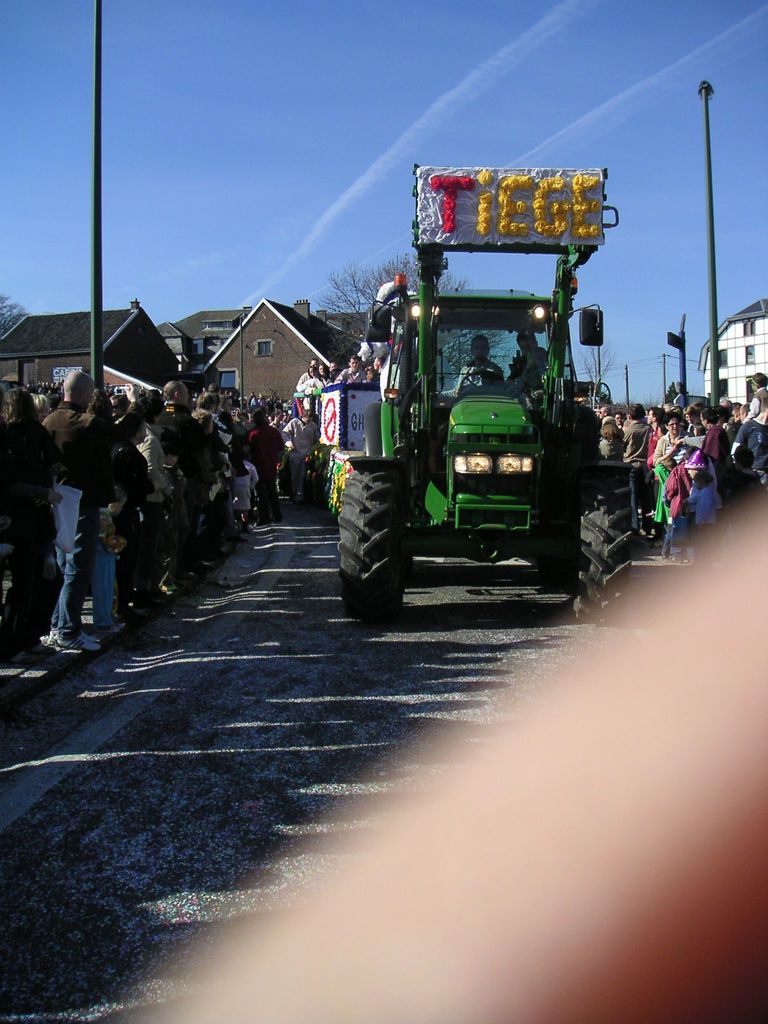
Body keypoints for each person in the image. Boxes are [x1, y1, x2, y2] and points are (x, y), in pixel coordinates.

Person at [43, 371, 115, 652]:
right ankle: (68, 630)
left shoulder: (50, 420)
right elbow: (118, 432)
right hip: (81, 500)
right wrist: (137, 406)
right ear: (85, 395)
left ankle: (58, 625)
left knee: (64, 566)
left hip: (60, 498)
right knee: (77, 567)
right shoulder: (82, 422)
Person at [0, 388, 62, 663]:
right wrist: (44, 491)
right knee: (30, 582)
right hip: (27, 517)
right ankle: (18, 642)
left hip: (22, 517)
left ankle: (22, 639)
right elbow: (51, 466)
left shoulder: (14, 435)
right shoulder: (25, 435)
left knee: (29, 582)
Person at [247, 408, 285, 525]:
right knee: (272, 492)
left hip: (258, 467)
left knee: (262, 494)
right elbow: (281, 447)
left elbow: (249, 449)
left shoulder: (253, 433)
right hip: (271, 466)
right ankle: (277, 515)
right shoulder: (274, 432)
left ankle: (264, 517)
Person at [284, 407, 319, 503]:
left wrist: (313, 450)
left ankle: (301, 496)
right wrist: (288, 443)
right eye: (308, 419)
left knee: (303, 475)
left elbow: (316, 440)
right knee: (294, 476)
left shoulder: (313, 426)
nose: (309, 421)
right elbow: (284, 433)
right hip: (295, 454)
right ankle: (294, 494)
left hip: (306, 455)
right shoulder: (294, 422)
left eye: (311, 420)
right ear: (303, 417)